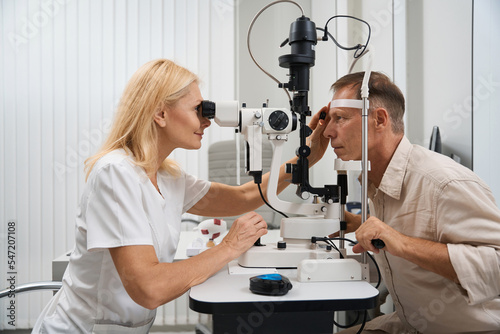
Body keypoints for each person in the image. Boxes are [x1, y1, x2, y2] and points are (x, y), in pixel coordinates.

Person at [32, 59, 329, 333]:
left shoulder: (167, 176)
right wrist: (228, 247)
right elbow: (149, 288)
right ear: (160, 113)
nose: (207, 121)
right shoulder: (115, 173)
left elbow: (244, 196)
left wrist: (306, 158)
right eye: (198, 110)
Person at [323, 71, 500, 333]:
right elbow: (420, 228)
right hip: (411, 323)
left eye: (340, 118)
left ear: (379, 119)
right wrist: (360, 224)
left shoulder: (443, 183)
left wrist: (402, 243)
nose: (328, 131)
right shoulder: (377, 180)